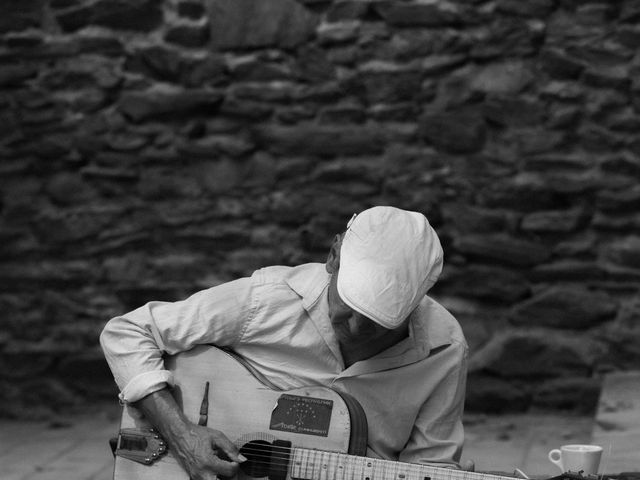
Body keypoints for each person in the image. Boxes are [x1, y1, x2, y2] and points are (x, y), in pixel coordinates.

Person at [100, 206, 469, 480]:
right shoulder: (266, 300)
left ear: (418, 302)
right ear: (333, 257)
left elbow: (430, 464)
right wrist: (181, 435)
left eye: (379, 320)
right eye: (351, 304)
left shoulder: (443, 347)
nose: (356, 327)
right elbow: (129, 332)